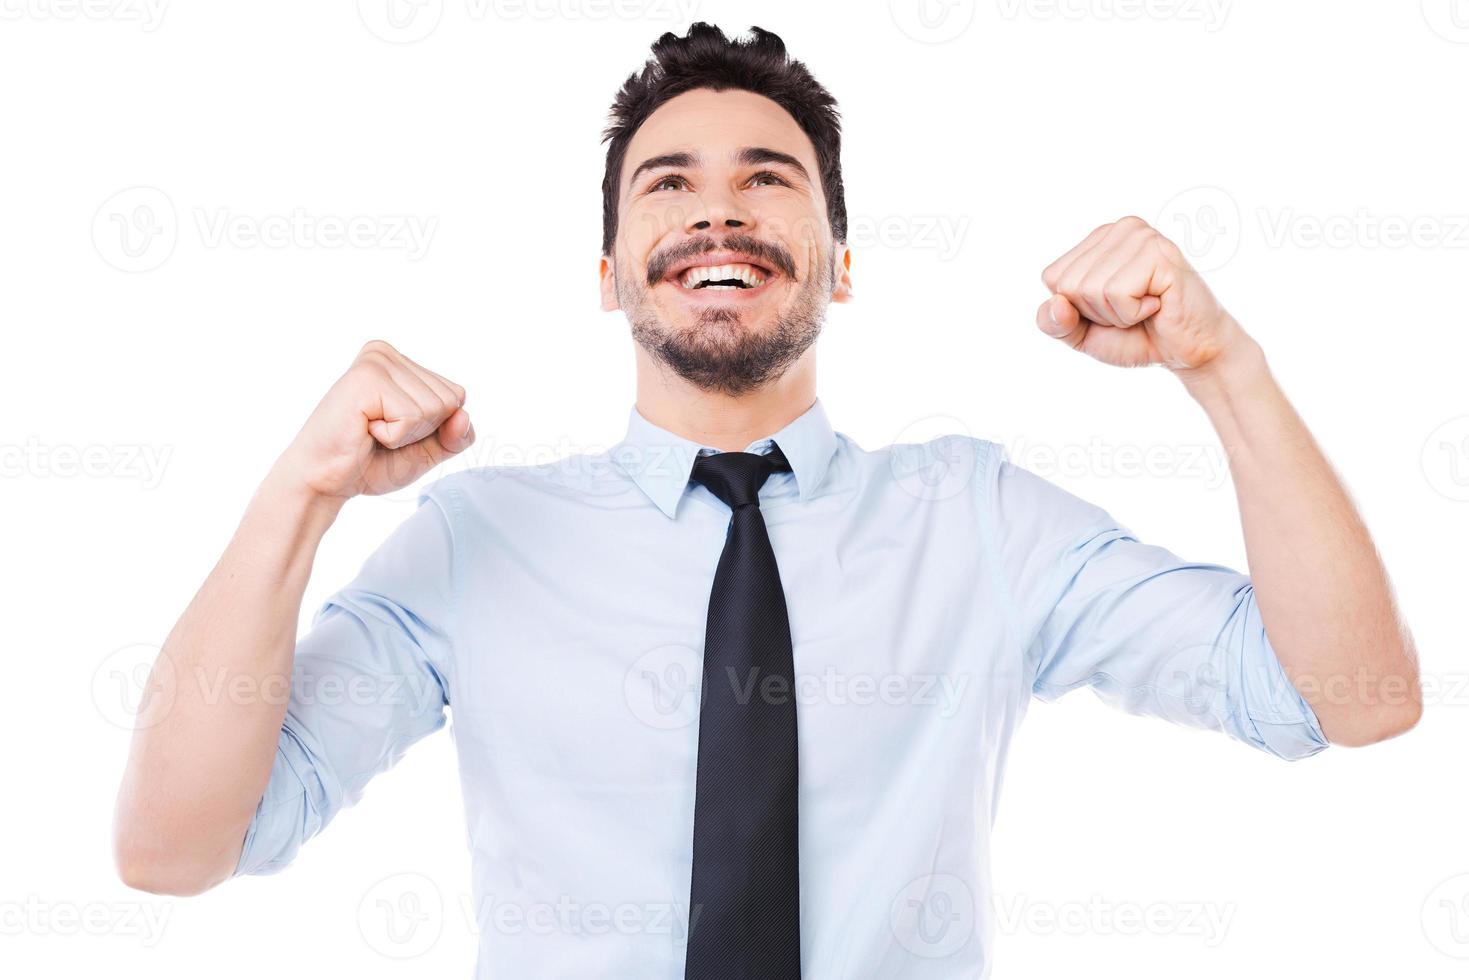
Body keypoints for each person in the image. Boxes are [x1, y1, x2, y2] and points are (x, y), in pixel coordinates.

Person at [112, 22, 1422, 979]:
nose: (716, 211)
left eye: (767, 177)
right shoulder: (479, 542)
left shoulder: (974, 516)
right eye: (666, 183)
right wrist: (301, 491)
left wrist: (1222, 366)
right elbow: (174, 849)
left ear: (837, 268)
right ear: (611, 268)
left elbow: (1351, 701)